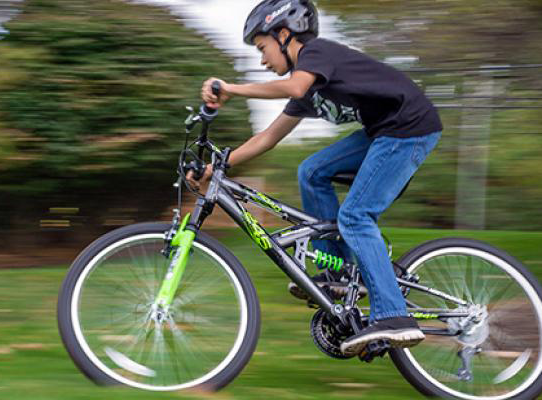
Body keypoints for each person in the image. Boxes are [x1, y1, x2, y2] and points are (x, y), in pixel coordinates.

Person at [189, 0, 442, 356]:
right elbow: (268, 138)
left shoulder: (317, 53)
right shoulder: (306, 89)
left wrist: (231, 89)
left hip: (409, 129)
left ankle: (394, 316)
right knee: (311, 171)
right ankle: (336, 273)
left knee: (355, 216)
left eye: (263, 49)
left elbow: (294, 87)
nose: (263, 61)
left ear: (284, 34)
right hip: (382, 133)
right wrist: (219, 166)